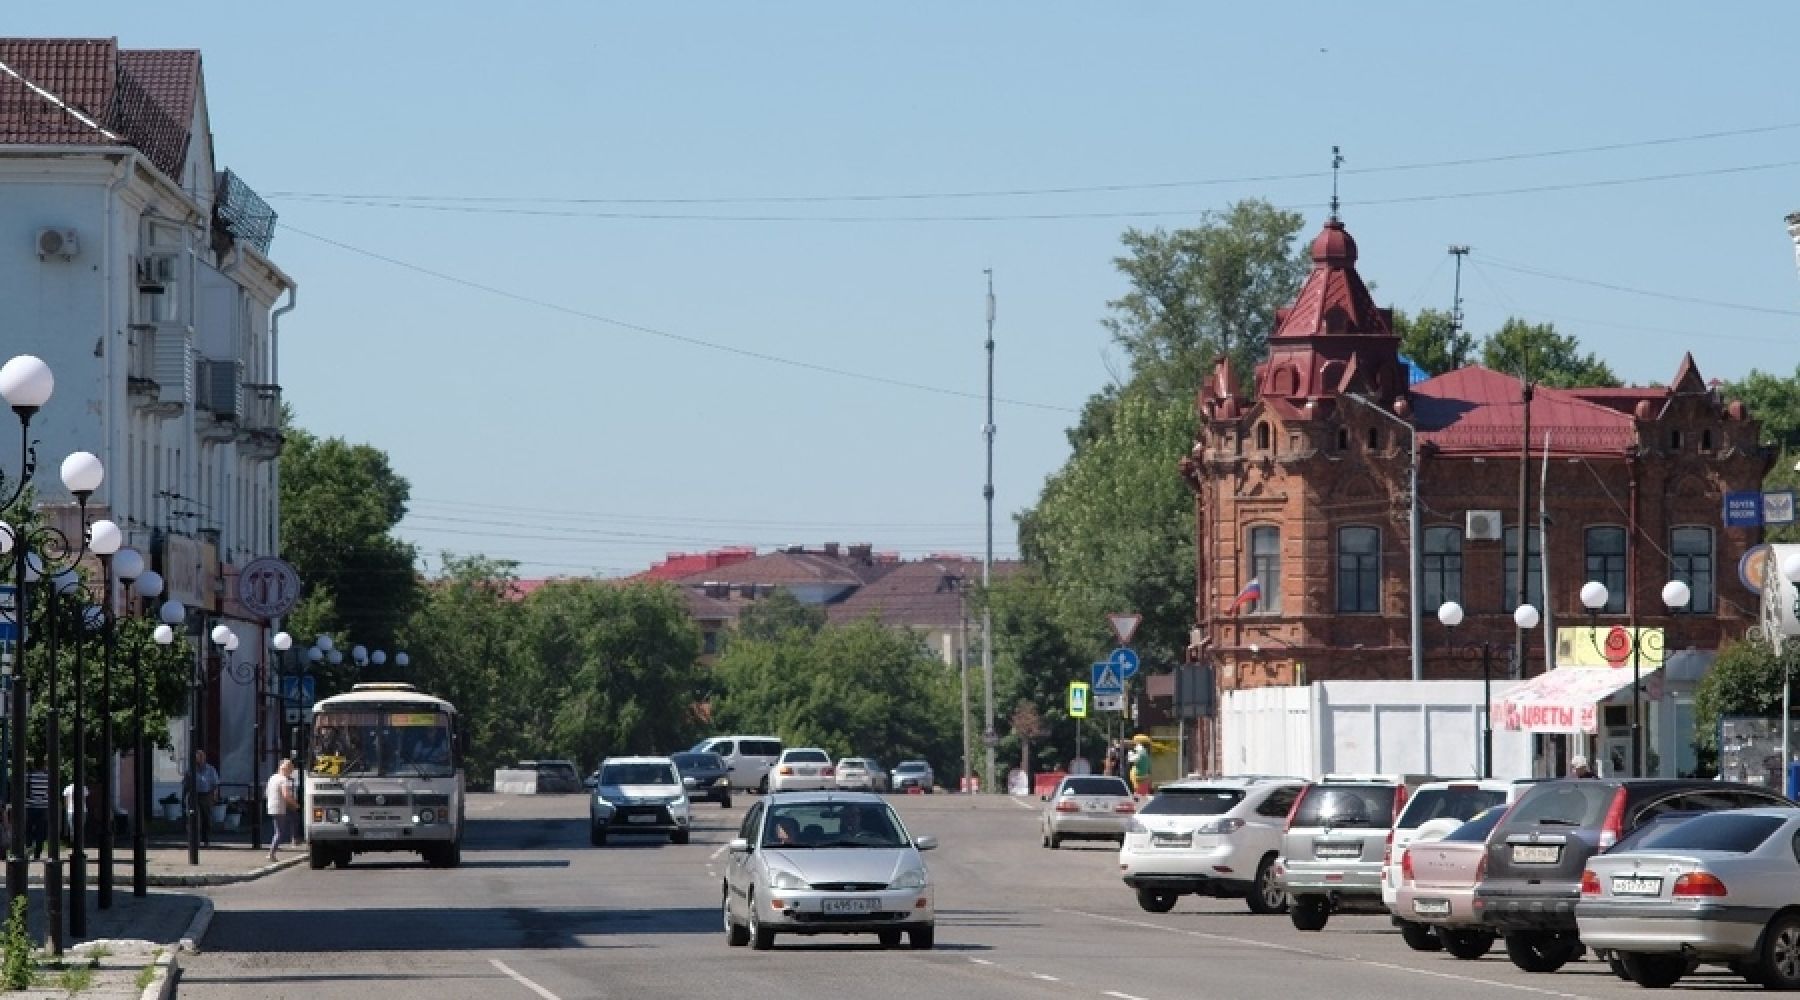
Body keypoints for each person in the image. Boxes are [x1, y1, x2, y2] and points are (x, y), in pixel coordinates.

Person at [265, 758, 299, 860]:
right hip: (279, 807)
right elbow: (286, 795)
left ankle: (294, 839)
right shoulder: (283, 780)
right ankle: (271, 853)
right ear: (283, 769)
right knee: (280, 832)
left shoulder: (272, 778)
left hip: (272, 806)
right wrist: (295, 804)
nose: (290, 771)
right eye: (289, 769)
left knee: (287, 824)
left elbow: (266, 792)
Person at [193, 750, 219, 846]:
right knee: (195, 817)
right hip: (194, 795)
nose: (197, 760)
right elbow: (186, 783)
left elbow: (215, 784)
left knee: (206, 817)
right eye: (196, 758)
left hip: (206, 795)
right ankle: (195, 839)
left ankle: (206, 839)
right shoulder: (192, 769)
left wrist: (214, 796)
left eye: (199, 757)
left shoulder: (210, 769)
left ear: (203, 758)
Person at [24, 758, 48, 861]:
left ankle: (29, 847)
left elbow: (24, 790)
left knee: (28, 829)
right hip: (43, 807)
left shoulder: (28, 776)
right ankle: (37, 854)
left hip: (30, 806)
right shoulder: (47, 777)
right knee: (41, 831)